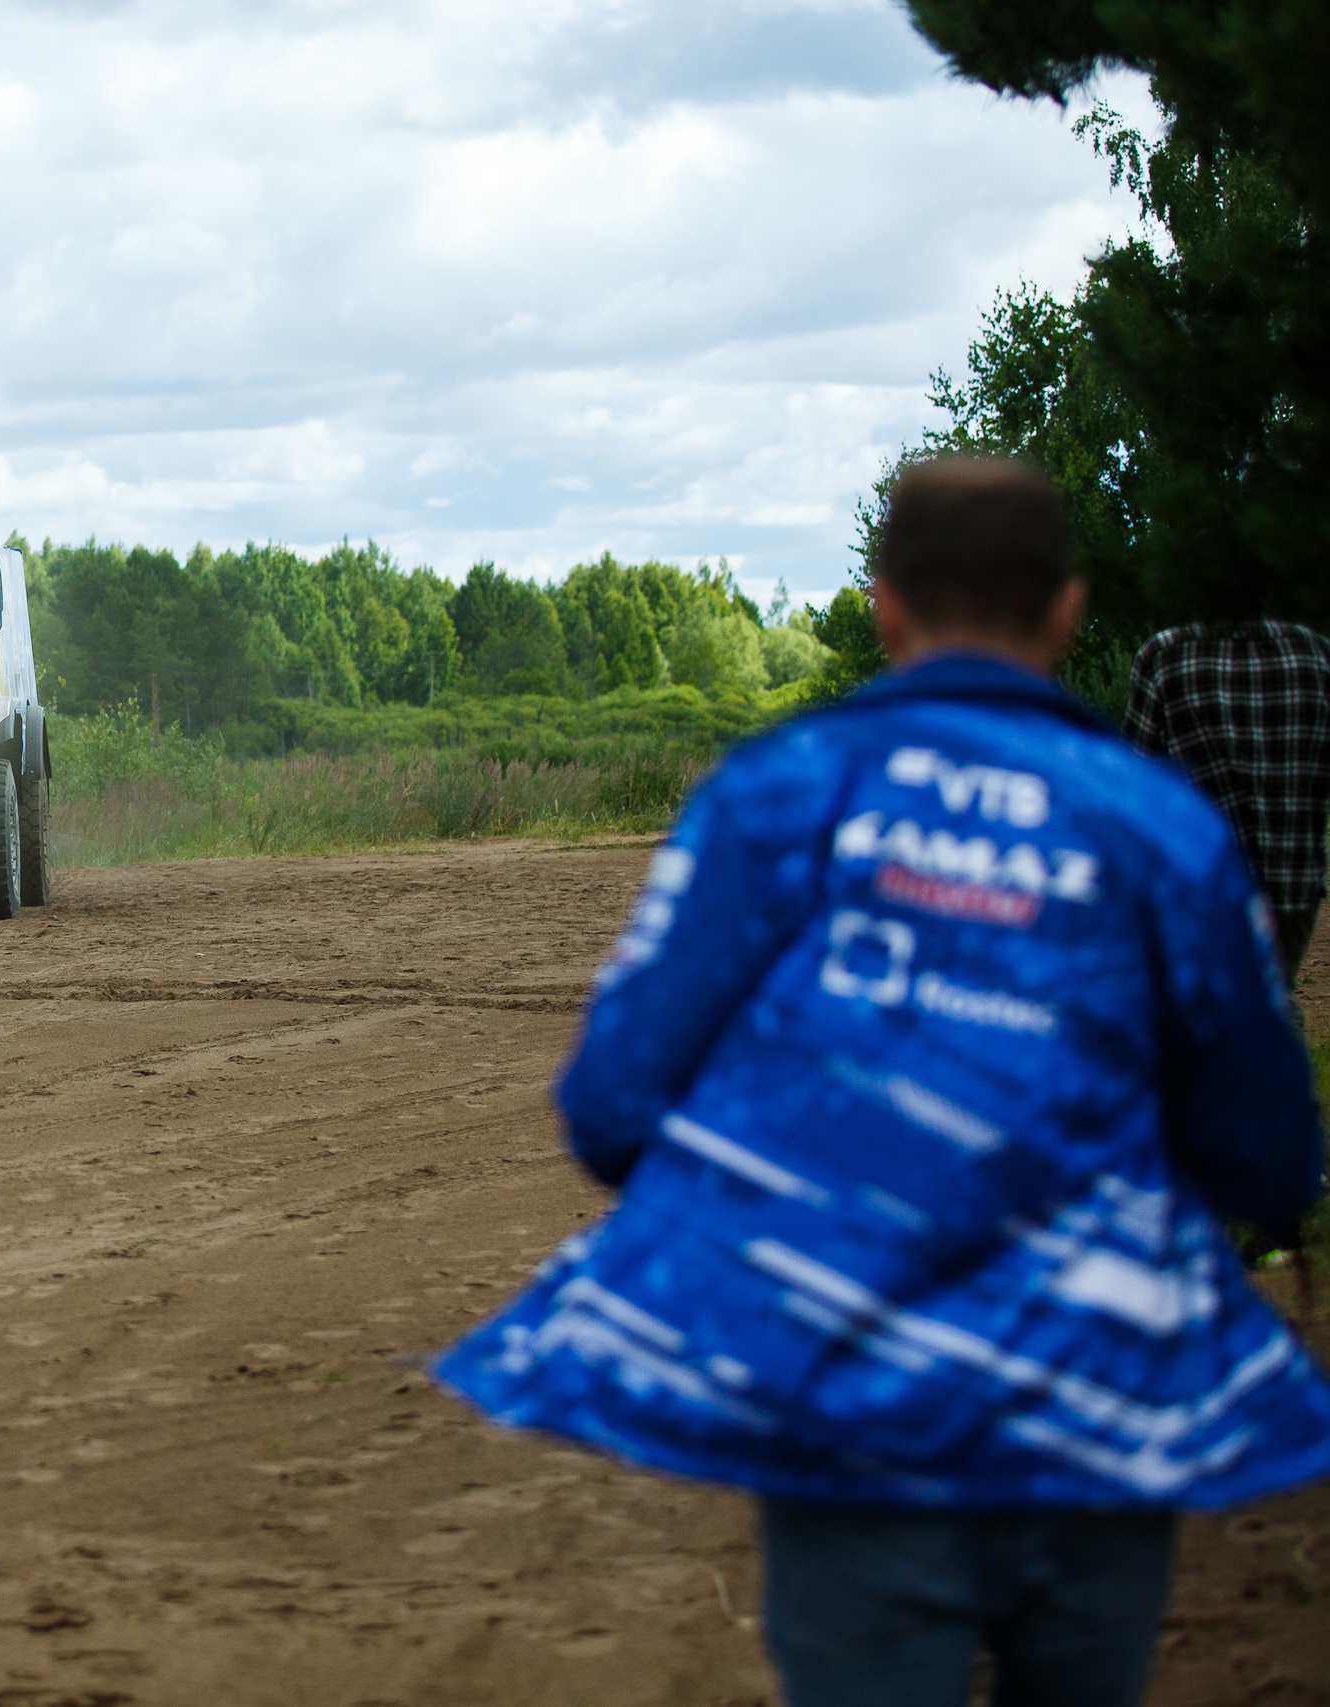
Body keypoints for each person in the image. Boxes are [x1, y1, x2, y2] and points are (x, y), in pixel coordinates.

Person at [433, 457, 1330, 1707]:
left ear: (884, 605)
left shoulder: (781, 791)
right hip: (1097, 1415)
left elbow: (610, 1107)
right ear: (1066, 612)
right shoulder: (1163, 827)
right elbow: (1271, 1155)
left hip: (853, 1418)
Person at [1124, 619, 1330, 985]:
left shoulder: (1166, 653)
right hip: (1292, 874)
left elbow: (1134, 774)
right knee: (1272, 993)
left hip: (1201, 871)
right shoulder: (1315, 651)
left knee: (1206, 995)